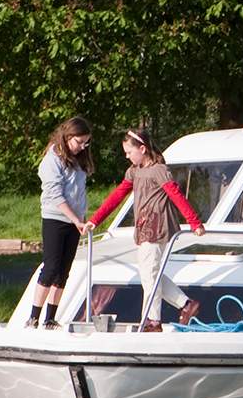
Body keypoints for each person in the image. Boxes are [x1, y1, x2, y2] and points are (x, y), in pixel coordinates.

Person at [90, 126, 207, 329]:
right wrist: (95, 220)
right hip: (144, 228)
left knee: (149, 274)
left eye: (129, 152)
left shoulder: (159, 170)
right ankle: (186, 304)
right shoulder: (134, 171)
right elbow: (117, 195)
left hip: (157, 227)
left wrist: (194, 222)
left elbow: (176, 196)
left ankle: (153, 321)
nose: (127, 156)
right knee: (150, 273)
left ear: (142, 149)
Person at [29, 117, 96, 327]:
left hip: (75, 221)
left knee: (63, 271)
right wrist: (76, 219)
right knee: (51, 267)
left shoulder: (78, 160)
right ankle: (33, 317)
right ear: (68, 137)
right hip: (56, 219)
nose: (82, 147)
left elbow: (78, 191)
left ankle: (50, 317)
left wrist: (81, 218)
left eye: (86, 143)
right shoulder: (52, 159)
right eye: (79, 142)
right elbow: (55, 195)